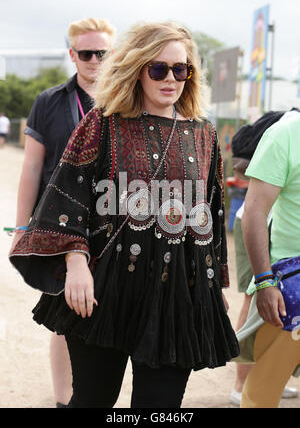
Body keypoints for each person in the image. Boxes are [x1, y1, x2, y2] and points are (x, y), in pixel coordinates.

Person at [9, 22, 239, 408]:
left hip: (175, 295)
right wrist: (76, 263)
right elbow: (69, 196)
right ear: (136, 68)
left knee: (161, 408)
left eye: (181, 69)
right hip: (107, 290)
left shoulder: (205, 134)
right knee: (93, 400)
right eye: (158, 68)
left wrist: (212, 282)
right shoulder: (103, 123)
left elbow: (209, 215)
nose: (171, 78)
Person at [9, 17, 116, 407]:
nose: (93, 60)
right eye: (85, 53)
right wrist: (23, 227)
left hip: (112, 226)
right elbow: (32, 168)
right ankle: (62, 399)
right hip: (57, 225)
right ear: (72, 54)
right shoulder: (49, 102)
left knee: (112, 310)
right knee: (64, 316)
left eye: (101, 53)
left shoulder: (127, 100)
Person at [229, 110, 299, 406]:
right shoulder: (285, 135)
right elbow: (254, 211)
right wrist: (264, 281)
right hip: (293, 289)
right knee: (262, 393)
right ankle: (238, 383)